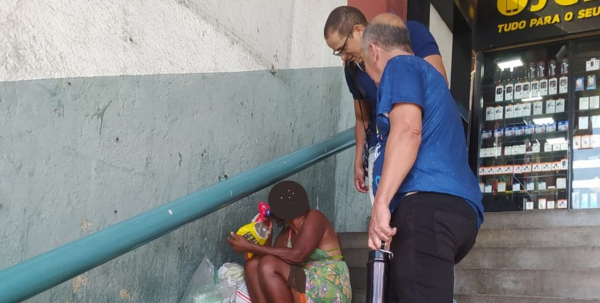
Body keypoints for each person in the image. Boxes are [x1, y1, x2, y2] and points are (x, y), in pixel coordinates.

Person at [360, 13, 484, 302]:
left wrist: (380, 205)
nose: (372, 79)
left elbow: (407, 130)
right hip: (454, 212)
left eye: (366, 67)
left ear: (374, 52)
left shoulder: (399, 66)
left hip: (428, 209)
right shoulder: (433, 80)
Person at [323, 6, 448, 208]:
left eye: (343, 48)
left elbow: (439, 83)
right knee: (386, 214)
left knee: (419, 209)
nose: (343, 57)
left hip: (423, 137)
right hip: (380, 146)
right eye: (337, 53)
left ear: (358, 30)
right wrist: (358, 160)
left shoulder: (409, 34)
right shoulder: (353, 70)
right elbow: (361, 117)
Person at [227, 180, 352, 303]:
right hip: (303, 286)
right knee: (253, 265)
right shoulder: (286, 235)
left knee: (268, 264)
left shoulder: (315, 217)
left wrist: (250, 247)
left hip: (330, 287)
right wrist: (267, 230)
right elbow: (267, 261)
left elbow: (297, 255)